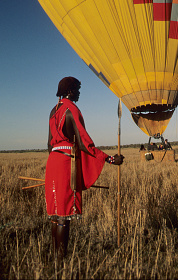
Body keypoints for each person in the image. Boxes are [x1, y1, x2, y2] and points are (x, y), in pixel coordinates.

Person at [45, 77, 124, 257]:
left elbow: (49, 145)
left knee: (55, 214)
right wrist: (110, 159)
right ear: (70, 91)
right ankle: (61, 261)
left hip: (53, 161)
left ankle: (55, 258)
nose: (79, 93)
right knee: (65, 215)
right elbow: (83, 143)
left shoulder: (53, 111)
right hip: (66, 162)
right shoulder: (71, 109)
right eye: (78, 90)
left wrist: (57, 160)